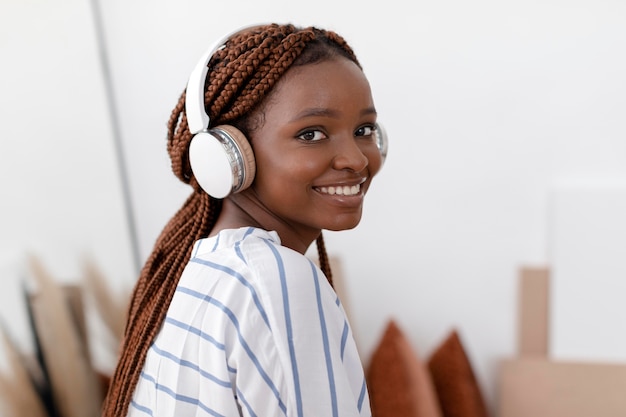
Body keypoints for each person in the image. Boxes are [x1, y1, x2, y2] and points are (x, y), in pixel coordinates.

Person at [102, 22, 387, 417]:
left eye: (364, 130)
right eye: (311, 134)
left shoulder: (192, 269)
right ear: (228, 156)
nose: (356, 159)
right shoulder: (276, 282)